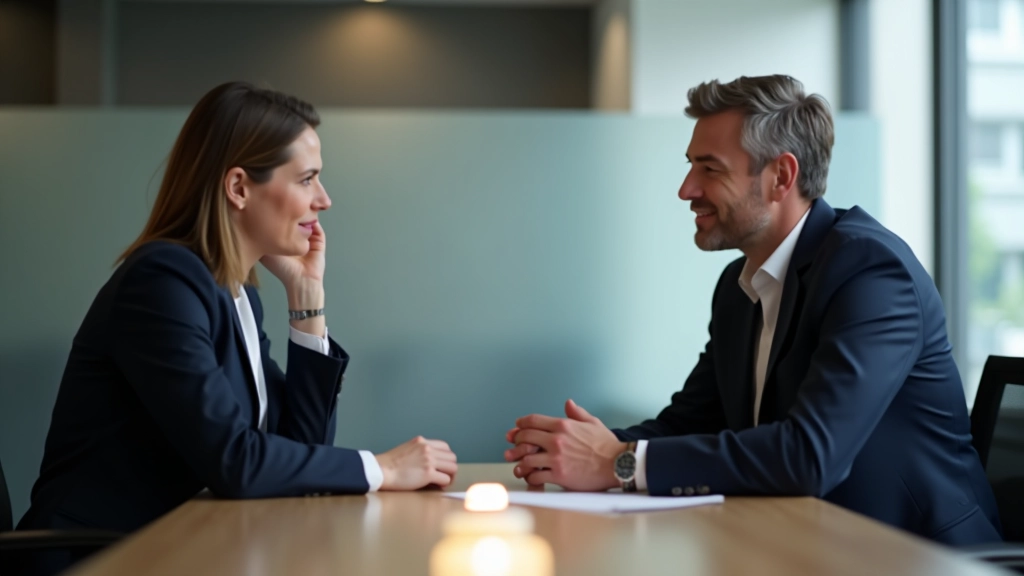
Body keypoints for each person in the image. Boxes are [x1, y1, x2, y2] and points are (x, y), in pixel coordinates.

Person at [505, 75, 1002, 546]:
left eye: (710, 169)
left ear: (780, 176)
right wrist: (582, 448)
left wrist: (619, 462)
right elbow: (691, 423)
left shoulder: (870, 272)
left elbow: (810, 456)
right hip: (807, 546)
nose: (686, 189)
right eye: (690, 165)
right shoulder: (738, 286)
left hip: (918, 559)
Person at [15, 82, 457, 574]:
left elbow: (302, 450)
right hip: (96, 559)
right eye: (307, 179)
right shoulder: (161, 282)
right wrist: (382, 468)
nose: (325, 199)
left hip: (176, 550)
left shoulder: (234, 295)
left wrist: (306, 299)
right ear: (239, 188)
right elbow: (236, 460)